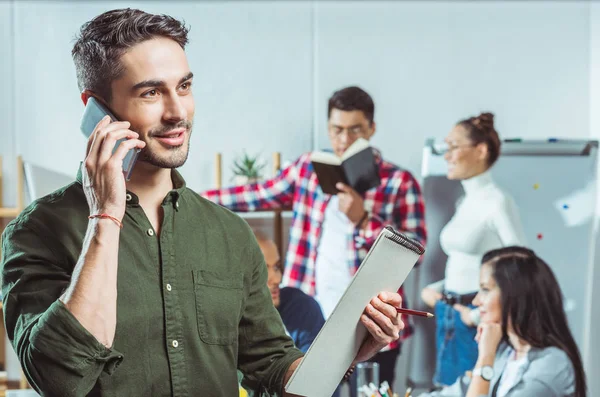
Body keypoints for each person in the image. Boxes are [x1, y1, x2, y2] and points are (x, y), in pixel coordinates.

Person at [0, 9, 407, 397]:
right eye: (151, 92)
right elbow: (59, 378)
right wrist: (105, 216)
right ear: (96, 108)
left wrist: (347, 351)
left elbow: (274, 368)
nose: (178, 112)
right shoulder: (38, 231)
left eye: (184, 86)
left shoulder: (229, 233)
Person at [202, 86, 427, 389]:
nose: (344, 140)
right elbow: (257, 194)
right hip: (312, 321)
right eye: (337, 130)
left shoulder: (399, 182)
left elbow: (418, 253)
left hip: (371, 323)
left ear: (372, 129)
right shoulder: (307, 169)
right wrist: (194, 197)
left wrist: (363, 220)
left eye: (355, 130)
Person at [420, 112, 527, 387]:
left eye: (453, 147)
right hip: (449, 317)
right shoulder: (464, 203)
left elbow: (522, 271)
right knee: (447, 390)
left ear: (481, 150)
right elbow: (466, 262)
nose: (447, 155)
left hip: (475, 323)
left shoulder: (498, 202)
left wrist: (475, 316)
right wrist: (438, 288)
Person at [418, 246, 587, 397]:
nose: (476, 301)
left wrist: (485, 357)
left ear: (513, 295)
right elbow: (458, 391)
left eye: (485, 290)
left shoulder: (552, 366)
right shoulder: (507, 353)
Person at [254, 228, 325, 353]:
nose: (277, 279)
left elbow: (317, 367)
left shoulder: (300, 307)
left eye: (276, 267)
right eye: (263, 271)